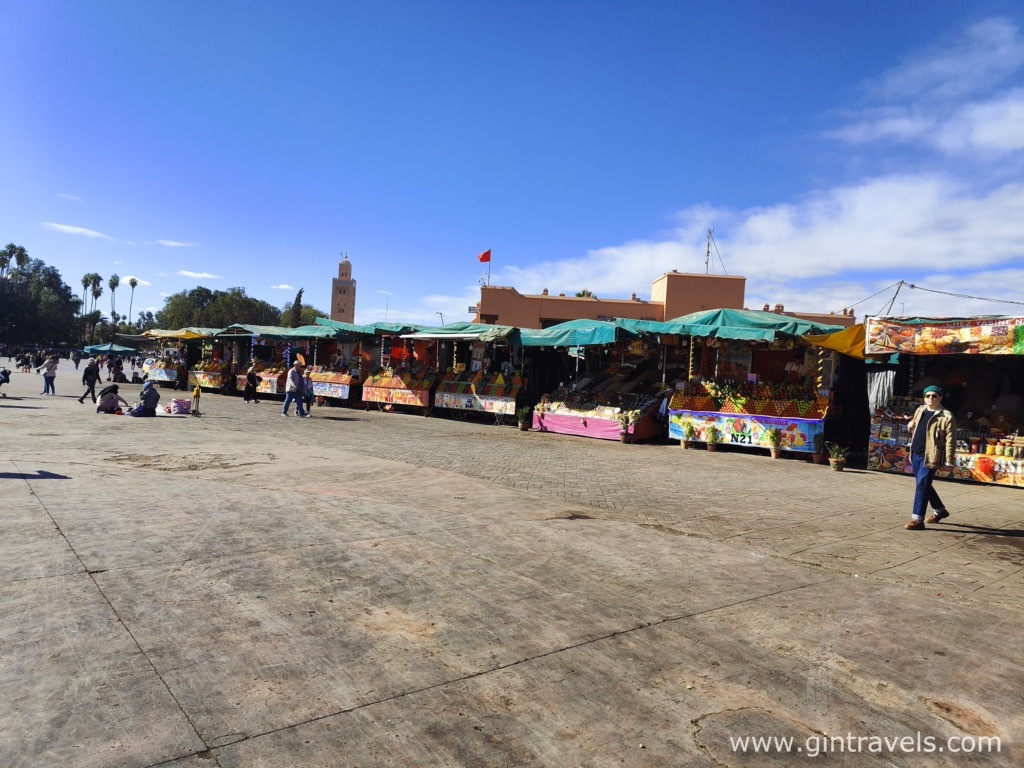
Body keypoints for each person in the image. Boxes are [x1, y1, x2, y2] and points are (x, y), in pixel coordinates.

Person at [905, 385, 956, 530]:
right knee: (923, 484)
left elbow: (951, 440)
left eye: (934, 396)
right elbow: (916, 421)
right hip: (915, 453)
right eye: (928, 396)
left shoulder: (947, 416)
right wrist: (912, 423)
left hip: (932, 456)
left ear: (940, 397)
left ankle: (917, 519)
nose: (930, 398)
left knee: (922, 483)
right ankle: (940, 511)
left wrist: (949, 461)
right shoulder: (920, 410)